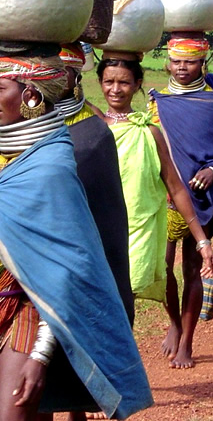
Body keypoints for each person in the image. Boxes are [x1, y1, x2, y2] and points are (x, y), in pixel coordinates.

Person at [0, 44, 153, 420]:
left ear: (30, 94)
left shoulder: (50, 169)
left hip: (25, 319)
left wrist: (39, 356)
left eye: (0, 88)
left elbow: (64, 277)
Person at [148, 37, 213, 368]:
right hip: (160, 198)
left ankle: (187, 341)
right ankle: (174, 322)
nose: (182, 68)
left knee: (190, 268)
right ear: (167, 64)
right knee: (162, 269)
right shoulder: (155, 103)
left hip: (196, 198)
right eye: (176, 62)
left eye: (188, 62)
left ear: (202, 63)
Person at [97, 56, 213, 304]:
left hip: (139, 230)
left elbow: (176, 187)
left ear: (138, 84)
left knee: (124, 299)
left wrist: (202, 241)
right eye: (109, 81)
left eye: (124, 82)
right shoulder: (93, 127)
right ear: (99, 82)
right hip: (98, 231)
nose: (115, 89)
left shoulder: (149, 132)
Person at [56, 42, 134, 326]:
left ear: (77, 76)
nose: (49, 76)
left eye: (59, 70)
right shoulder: (25, 127)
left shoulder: (93, 132)